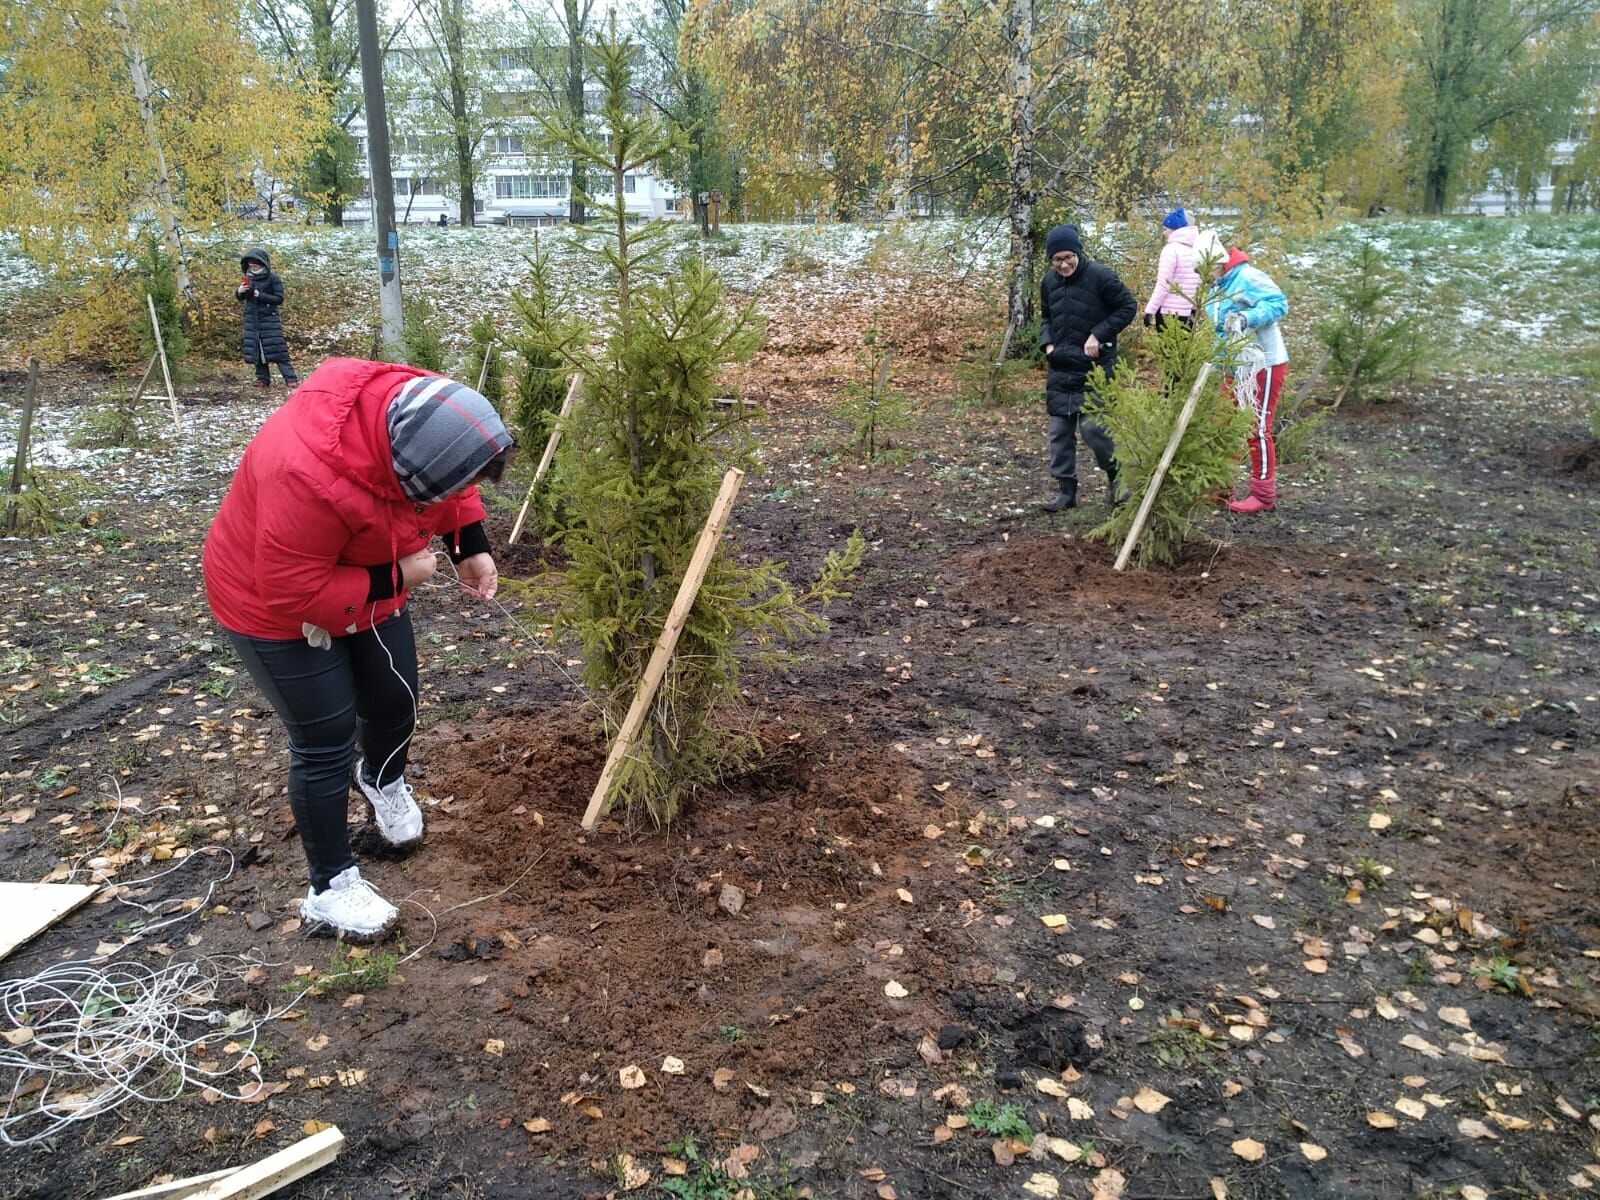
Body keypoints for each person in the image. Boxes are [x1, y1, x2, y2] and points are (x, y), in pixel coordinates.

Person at [203, 360, 514, 941]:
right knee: (325, 739)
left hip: (368, 571)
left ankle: (383, 781)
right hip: (272, 607)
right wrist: (398, 577)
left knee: (394, 699)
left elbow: (454, 482)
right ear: (402, 475)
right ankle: (331, 887)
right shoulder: (300, 470)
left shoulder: (420, 412)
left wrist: (468, 541)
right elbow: (295, 588)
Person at [1038, 223, 1137, 511]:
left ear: (1078, 253)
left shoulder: (1100, 277)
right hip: (1061, 367)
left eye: (1068, 257)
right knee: (1059, 433)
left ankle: (1117, 479)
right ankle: (1065, 492)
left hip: (1096, 368)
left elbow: (1127, 307)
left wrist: (1098, 334)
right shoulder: (1049, 282)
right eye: (1057, 260)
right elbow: (1046, 317)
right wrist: (1048, 345)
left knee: (1094, 429)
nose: (1064, 264)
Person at [1203, 245, 1289, 514]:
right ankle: (1220, 488)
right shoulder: (1215, 285)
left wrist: (1245, 317)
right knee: (1222, 422)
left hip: (1264, 362)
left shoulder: (1248, 277)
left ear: (1217, 261)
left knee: (1256, 426)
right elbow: (1220, 330)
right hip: (1233, 365)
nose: (1201, 276)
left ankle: (1263, 495)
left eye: (1204, 269)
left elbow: (1279, 303)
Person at [237, 249, 298, 389]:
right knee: (256, 350)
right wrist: (240, 292)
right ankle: (262, 379)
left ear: (262, 263)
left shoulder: (273, 278)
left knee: (278, 350)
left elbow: (279, 298)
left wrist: (259, 295)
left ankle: (290, 378)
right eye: (250, 265)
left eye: (255, 265)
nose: (253, 267)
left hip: (269, 319)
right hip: (252, 319)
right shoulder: (248, 277)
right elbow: (243, 298)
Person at [1142, 208, 1201, 331]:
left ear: (1175, 229)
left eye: (1165, 229)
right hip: (1190, 312)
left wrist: (1150, 310)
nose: (1163, 233)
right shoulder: (1197, 250)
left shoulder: (1171, 250)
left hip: (1169, 314)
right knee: (1185, 349)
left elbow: (1164, 284)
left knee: (1167, 349)